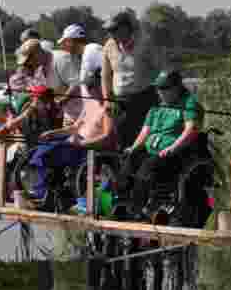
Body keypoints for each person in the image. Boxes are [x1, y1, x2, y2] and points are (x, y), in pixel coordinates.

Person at [27, 44, 115, 199]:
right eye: (88, 87)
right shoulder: (90, 103)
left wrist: (82, 143)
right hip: (73, 140)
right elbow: (75, 126)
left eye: (92, 87)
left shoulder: (108, 108)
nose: (90, 90)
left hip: (85, 148)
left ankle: (41, 193)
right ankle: (42, 190)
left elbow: (108, 138)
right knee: (43, 145)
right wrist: (52, 133)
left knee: (45, 154)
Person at [120, 70, 203, 221]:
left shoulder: (189, 104)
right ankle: (121, 202)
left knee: (147, 168)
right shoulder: (156, 108)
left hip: (173, 155)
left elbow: (191, 130)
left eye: (164, 88)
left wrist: (173, 147)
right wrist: (133, 148)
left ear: (177, 87)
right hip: (151, 150)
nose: (160, 92)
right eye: (158, 88)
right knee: (129, 160)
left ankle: (136, 211)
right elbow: (144, 132)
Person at [102, 10, 161, 149]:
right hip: (120, 101)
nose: (110, 33)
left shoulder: (145, 43)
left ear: (126, 28)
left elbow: (160, 69)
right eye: (108, 30)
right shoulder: (108, 46)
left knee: (143, 141)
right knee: (122, 140)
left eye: (113, 29)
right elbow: (105, 76)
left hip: (144, 99)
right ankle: (127, 168)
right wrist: (107, 100)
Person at [52, 24, 88, 125]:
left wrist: (62, 100)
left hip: (82, 114)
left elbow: (76, 84)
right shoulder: (73, 56)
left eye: (65, 42)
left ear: (72, 41)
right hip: (73, 114)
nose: (63, 46)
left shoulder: (89, 53)